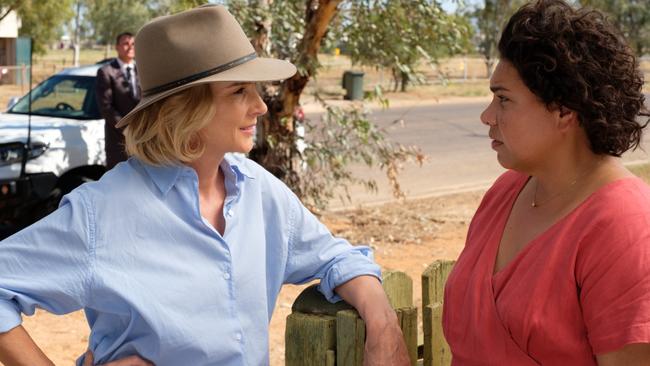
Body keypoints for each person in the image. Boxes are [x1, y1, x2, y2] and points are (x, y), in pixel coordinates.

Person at [0, 5, 409, 366]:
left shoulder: (259, 192)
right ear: (186, 108)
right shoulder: (100, 211)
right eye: (239, 91)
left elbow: (336, 257)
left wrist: (383, 321)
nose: (261, 106)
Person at [442, 0, 650, 365]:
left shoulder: (627, 227)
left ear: (564, 111)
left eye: (503, 99)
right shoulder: (506, 191)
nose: (486, 116)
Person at [96, 31, 141, 170]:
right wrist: (128, 130)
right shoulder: (106, 71)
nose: (130, 47)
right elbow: (106, 107)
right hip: (118, 142)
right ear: (117, 47)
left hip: (144, 141)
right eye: (125, 44)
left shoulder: (143, 70)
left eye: (133, 44)